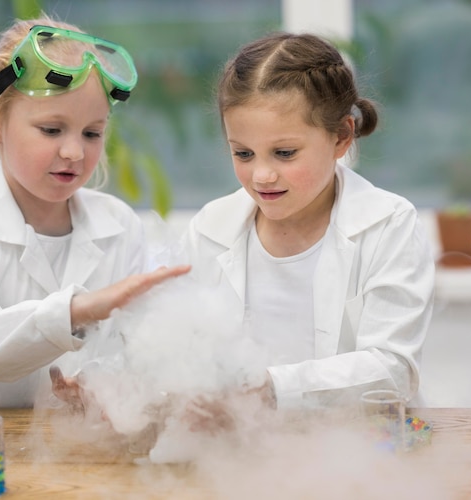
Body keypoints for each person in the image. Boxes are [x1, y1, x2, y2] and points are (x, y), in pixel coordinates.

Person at [0, 15, 189, 408]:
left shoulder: (120, 227)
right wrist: (75, 311)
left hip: (71, 447)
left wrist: (103, 385)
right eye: (51, 130)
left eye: (92, 133)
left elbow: (129, 353)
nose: (74, 152)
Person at [180, 30, 435, 419]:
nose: (261, 175)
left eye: (284, 153)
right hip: (240, 451)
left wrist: (272, 388)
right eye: (243, 153)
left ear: (341, 137)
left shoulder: (388, 225)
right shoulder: (209, 229)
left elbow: (392, 369)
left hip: (361, 451)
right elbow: (176, 344)